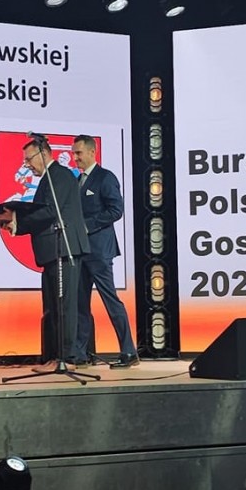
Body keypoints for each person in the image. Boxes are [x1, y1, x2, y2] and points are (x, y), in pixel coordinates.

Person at [3, 138, 90, 372]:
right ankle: (55, 357)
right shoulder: (49, 178)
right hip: (52, 252)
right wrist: (16, 222)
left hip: (65, 250)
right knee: (53, 306)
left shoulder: (59, 175)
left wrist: (17, 222)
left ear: (43, 154)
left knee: (65, 306)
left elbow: (51, 211)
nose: (26, 165)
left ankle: (67, 357)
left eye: (28, 159)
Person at [71, 134, 139, 368]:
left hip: (100, 251)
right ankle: (80, 353)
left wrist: (86, 226)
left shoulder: (105, 177)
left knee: (110, 300)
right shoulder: (78, 181)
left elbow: (116, 210)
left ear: (92, 152)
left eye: (79, 153)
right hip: (80, 251)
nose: (75, 157)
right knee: (80, 303)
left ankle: (128, 351)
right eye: (74, 153)